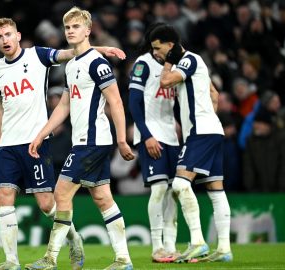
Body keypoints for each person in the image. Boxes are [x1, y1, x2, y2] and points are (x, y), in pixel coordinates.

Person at [0, 17, 126, 270]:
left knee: (48, 203)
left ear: (18, 36)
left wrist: (101, 49)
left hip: (36, 141)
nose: (4, 40)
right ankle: (12, 260)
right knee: (3, 195)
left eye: (8, 34)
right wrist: (0, 137)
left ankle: (73, 239)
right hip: (8, 143)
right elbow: (0, 103)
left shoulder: (38, 56)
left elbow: (72, 51)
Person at [25, 7, 135, 270]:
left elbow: (116, 101)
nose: (70, 31)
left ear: (88, 30)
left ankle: (51, 258)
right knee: (102, 198)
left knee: (61, 193)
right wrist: (42, 133)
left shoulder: (98, 63)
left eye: (76, 27)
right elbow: (64, 106)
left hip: (94, 140)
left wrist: (122, 139)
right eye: (67, 27)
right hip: (84, 140)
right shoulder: (72, 64)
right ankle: (124, 259)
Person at [150, 24, 232, 263]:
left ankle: (197, 242)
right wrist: (210, 117)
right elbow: (214, 94)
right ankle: (224, 249)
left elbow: (165, 82)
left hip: (201, 134)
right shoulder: (197, 63)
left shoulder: (187, 60)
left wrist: (169, 62)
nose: (156, 53)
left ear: (170, 45)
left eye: (158, 48)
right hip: (212, 131)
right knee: (216, 192)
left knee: (179, 185)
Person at [128, 22, 179, 263]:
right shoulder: (143, 64)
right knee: (159, 189)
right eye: (153, 47)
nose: (155, 51)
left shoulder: (174, 67)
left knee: (173, 192)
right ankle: (157, 246)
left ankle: (170, 245)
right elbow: (134, 103)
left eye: (159, 47)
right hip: (152, 135)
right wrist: (146, 135)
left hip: (171, 136)